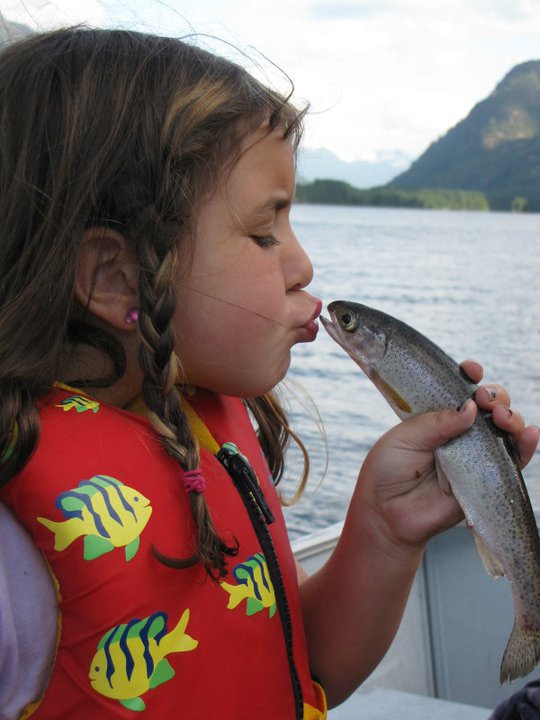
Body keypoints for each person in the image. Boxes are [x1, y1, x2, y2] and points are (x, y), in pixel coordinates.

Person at [0, 27, 537, 720]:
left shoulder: (200, 422)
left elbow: (300, 664)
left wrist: (384, 529)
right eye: (265, 233)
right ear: (116, 276)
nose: (303, 265)